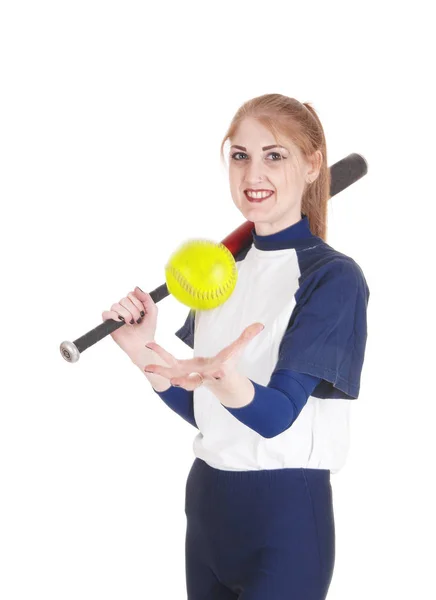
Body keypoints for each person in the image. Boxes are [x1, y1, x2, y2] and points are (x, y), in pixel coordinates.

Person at [102, 93, 370, 600]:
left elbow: (276, 416)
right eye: (240, 155)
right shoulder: (219, 272)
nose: (253, 174)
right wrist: (143, 351)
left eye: (275, 155)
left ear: (313, 165)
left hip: (284, 516)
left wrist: (227, 381)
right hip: (207, 507)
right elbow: (207, 411)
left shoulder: (333, 278)